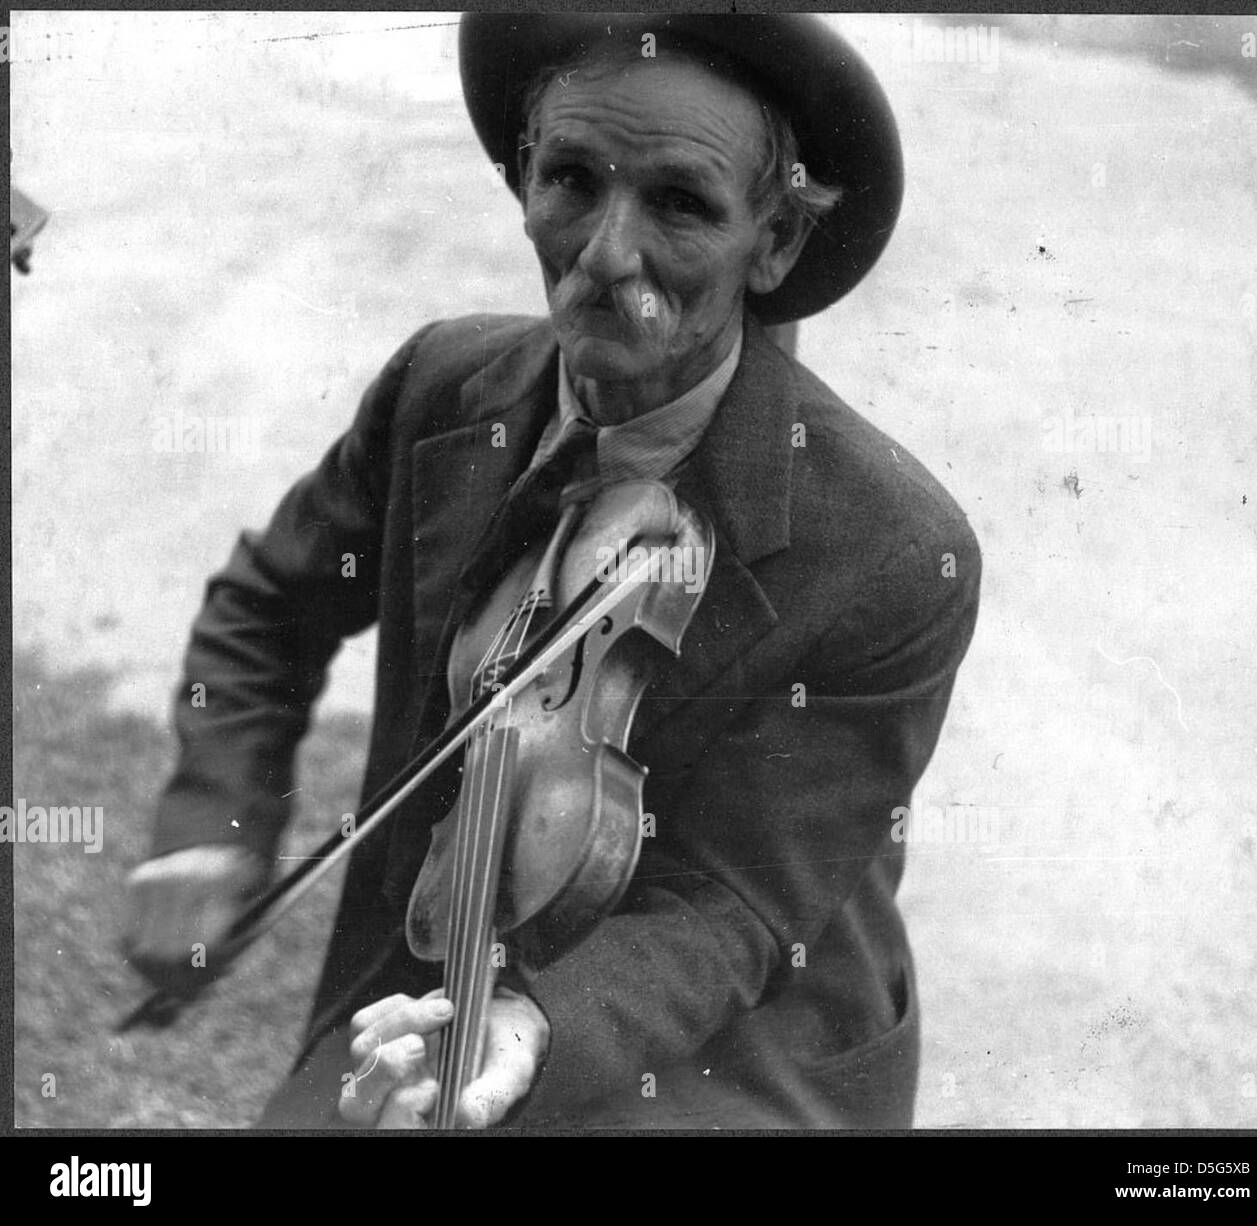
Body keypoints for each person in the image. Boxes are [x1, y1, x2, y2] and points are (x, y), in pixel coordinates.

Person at [124, 13, 981, 1130]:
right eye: (572, 179)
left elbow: (733, 902)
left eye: (679, 203)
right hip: (447, 951)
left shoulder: (895, 549)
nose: (605, 254)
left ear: (772, 243)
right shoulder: (443, 385)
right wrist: (214, 818)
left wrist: (535, 1023)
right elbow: (270, 602)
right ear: (521, 177)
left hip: (734, 1029)